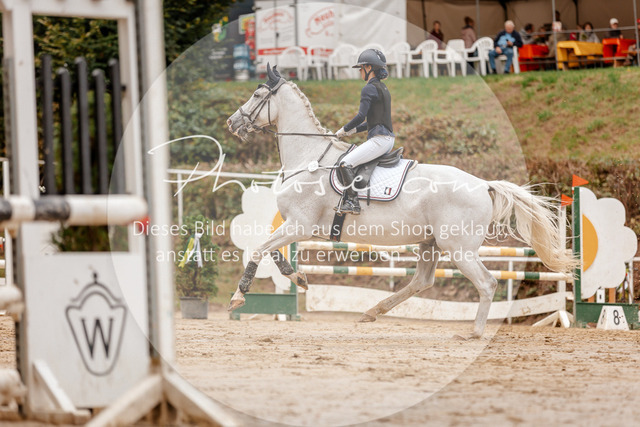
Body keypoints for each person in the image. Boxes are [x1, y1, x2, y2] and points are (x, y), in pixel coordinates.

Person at [334, 49, 395, 215]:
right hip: (388, 139)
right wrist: (352, 131)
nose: (360, 72)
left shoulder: (368, 88)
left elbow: (361, 116)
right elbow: (373, 121)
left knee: (345, 163)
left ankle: (352, 202)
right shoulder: (383, 88)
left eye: (361, 68)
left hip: (379, 140)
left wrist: (344, 129)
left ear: (369, 67)